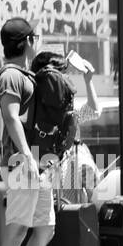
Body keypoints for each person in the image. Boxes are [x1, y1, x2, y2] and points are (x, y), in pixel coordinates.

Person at [0, 17, 53, 246]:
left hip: (38, 163)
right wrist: (27, 156)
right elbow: (10, 117)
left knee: (45, 228)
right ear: (29, 41)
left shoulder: (25, 74)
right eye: (36, 37)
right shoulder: (10, 76)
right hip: (22, 162)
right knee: (17, 230)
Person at [30, 50, 99, 202]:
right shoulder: (31, 110)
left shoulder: (65, 109)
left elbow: (93, 111)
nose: (64, 80)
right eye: (59, 74)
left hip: (70, 169)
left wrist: (88, 81)